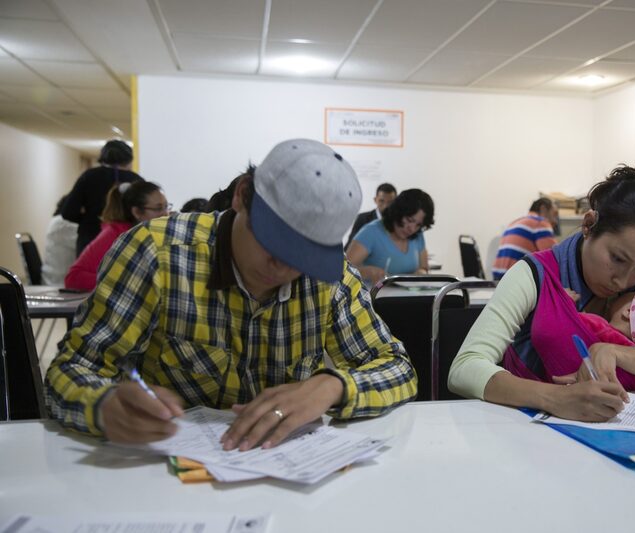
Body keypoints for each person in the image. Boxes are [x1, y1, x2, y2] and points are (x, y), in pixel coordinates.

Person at [45, 139, 417, 449]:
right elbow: (73, 368)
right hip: (165, 475)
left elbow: (398, 368)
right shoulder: (157, 254)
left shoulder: (330, 278)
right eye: (275, 244)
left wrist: (334, 386)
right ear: (242, 196)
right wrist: (102, 404)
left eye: (304, 256)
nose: (285, 269)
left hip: (284, 476)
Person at [448, 166, 635, 422]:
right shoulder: (538, 273)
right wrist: (555, 398)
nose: (623, 281)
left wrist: (615, 353)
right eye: (617, 258)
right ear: (589, 225)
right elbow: (465, 368)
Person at [63, 181, 169, 292]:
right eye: (158, 208)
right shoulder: (114, 235)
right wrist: (124, 282)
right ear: (137, 212)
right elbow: (73, 278)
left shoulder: (158, 235)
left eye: (167, 207)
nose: (166, 214)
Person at [61, 140, 144, 254]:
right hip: (128, 241)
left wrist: (89, 220)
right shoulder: (137, 181)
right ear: (129, 159)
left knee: (89, 270)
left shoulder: (89, 176)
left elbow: (68, 212)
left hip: (91, 239)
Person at [346, 188, 433, 285]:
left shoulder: (417, 235)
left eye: (418, 225)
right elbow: (343, 272)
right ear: (398, 212)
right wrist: (367, 272)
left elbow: (424, 267)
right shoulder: (371, 232)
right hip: (373, 297)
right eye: (409, 220)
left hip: (408, 297)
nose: (412, 229)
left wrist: (421, 272)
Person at [491, 197, 558, 280]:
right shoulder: (540, 222)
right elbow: (554, 260)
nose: (555, 221)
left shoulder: (513, 223)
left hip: (497, 280)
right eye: (554, 214)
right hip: (515, 279)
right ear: (543, 209)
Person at [40, 196, 78, 286]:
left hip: (55, 280)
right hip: (57, 284)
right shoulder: (62, 224)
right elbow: (89, 245)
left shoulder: (57, 222)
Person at [346, 183, 397, 247]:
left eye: (390, 202)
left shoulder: (400, 221)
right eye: (381, 201)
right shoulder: (362, 219)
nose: (386, 206)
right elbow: (349, 246)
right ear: (375, 200)